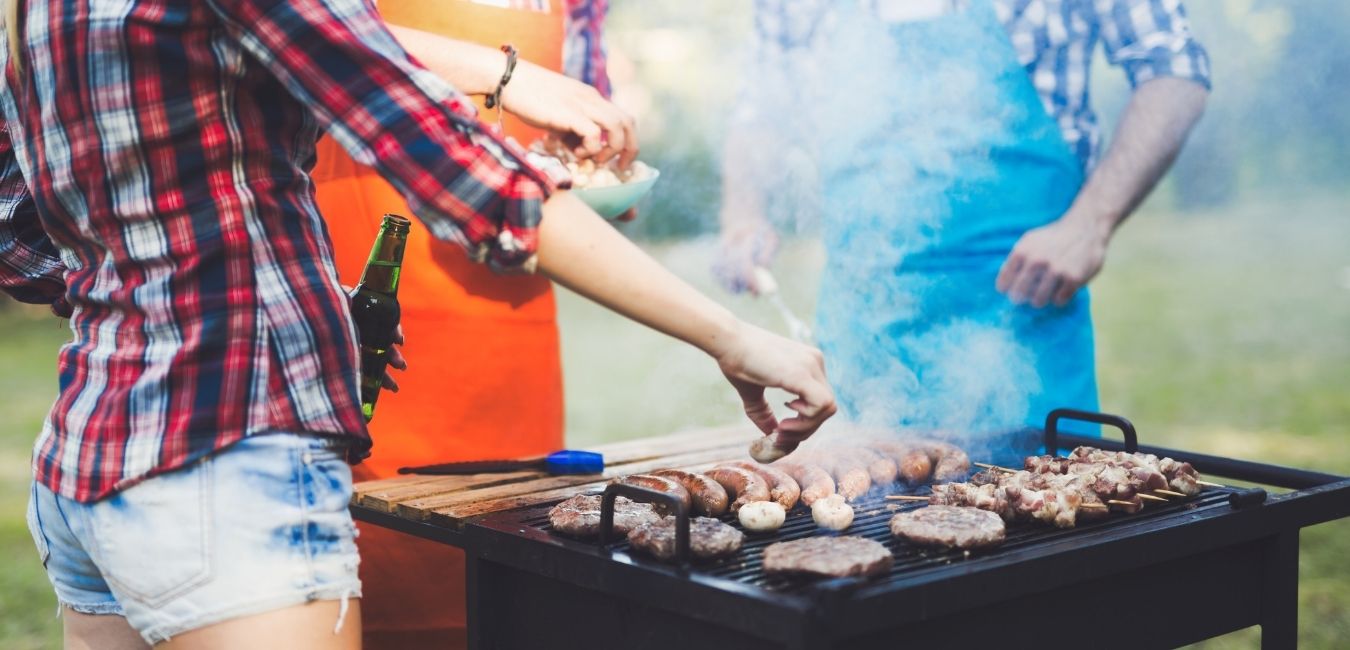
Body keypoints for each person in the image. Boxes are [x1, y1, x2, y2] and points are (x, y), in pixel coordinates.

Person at [0, 0, 836, 648]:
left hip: (89, 458)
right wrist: (734, 337)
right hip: (227, 464)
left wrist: (276, 294)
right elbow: (478, 186)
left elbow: (19, 228)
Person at [720, 0, 1209, 437]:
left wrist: (1091, 222)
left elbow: (1173, 67)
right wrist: (743, 215)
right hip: (859, 342)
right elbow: (761, 107)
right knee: (852, 511)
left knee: (1051, 512)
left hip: (1025, 330)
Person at [308, 1, 632, 646]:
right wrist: (507, 76)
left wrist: (592, 149)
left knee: (506, 573)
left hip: (511, 318)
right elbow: (308, 38)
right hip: (357, 285)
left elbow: (572, 98)